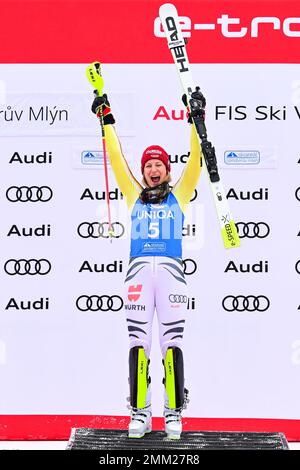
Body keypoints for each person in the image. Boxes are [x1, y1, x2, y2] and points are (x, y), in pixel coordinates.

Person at [91, 88, 205, 439]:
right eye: (148, 165)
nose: (153, 169)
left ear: (166, 170)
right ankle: (140, 412)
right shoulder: (132, 195)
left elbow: (197, 160)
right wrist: (105, 117)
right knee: (137, 344)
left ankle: (173, 413)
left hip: (171, 275)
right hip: (138, 274)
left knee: (172, 344)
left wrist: (195, 119)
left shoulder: (180, 194)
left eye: (159, 164)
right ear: (143, 171)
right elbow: (115, 157)